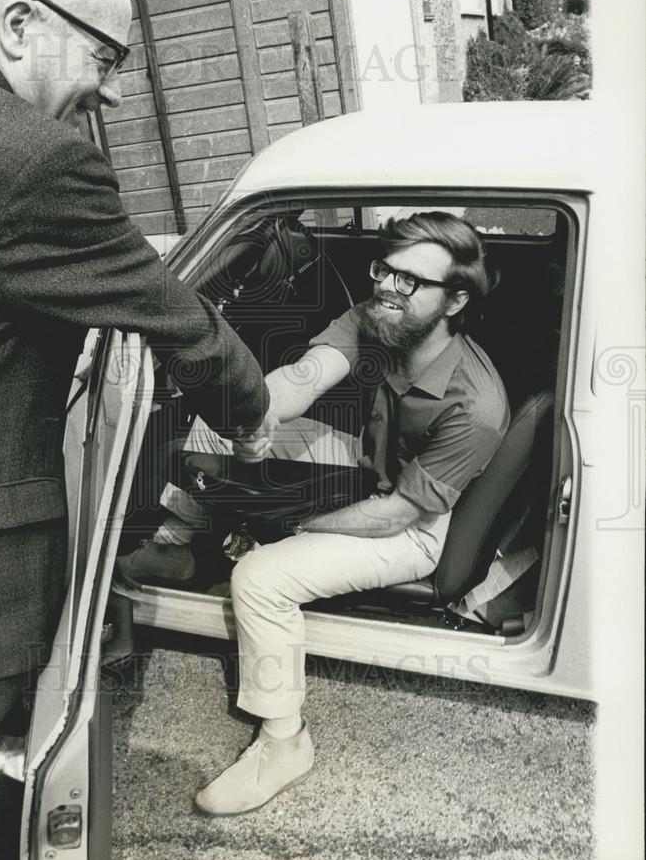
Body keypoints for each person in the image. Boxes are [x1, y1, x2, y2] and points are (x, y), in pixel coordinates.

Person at [0, 0, 272, 860]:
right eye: (105, 55)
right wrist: (253, 411)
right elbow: (177, 322)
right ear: (21, 24)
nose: (107, 87)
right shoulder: (29, 159)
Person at [118, 212, 510, 816]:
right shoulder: (383, 318)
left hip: (416, 526)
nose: (387, 287)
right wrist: (253, 413)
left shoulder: (476, 405)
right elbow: (303, 378)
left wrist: (286, 527)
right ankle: (172, 549)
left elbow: (395, 516)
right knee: (222, 426)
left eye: (411, 280)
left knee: (260, 577)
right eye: (385, 269)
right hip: (370, 465)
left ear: (455, 300)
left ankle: (284, 741)